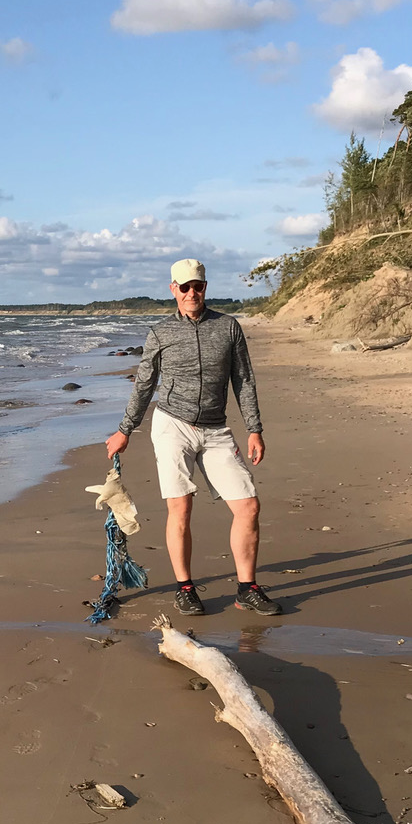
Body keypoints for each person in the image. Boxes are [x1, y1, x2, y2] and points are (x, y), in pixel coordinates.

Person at [105, 258, 281, 616]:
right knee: (180, 506)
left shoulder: (228, 328)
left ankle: (247, 588)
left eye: (196, 286)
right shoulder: (160, 333)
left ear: (205, 287)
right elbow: (144, 384)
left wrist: (255, 428)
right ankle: (185, 588)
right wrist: (125, 431)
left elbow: (243, 380)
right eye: (183, 287)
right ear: (173, 289)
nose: (191, 293)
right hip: (172, 426)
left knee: (248, 506)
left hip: (216, 429)